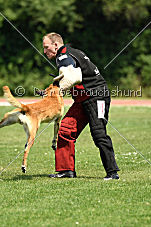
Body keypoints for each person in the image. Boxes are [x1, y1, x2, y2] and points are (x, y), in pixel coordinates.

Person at [43, 32, 120, 180]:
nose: (45, 51)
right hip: (83, 99)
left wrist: (57, 88)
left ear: (56, 45)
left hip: (98, 97)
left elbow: (73, 77)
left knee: (99, 133)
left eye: (46, 47)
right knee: (65, 129)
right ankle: (66, 171)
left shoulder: (63, 56)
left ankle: (112, 173)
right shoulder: (72, 52)